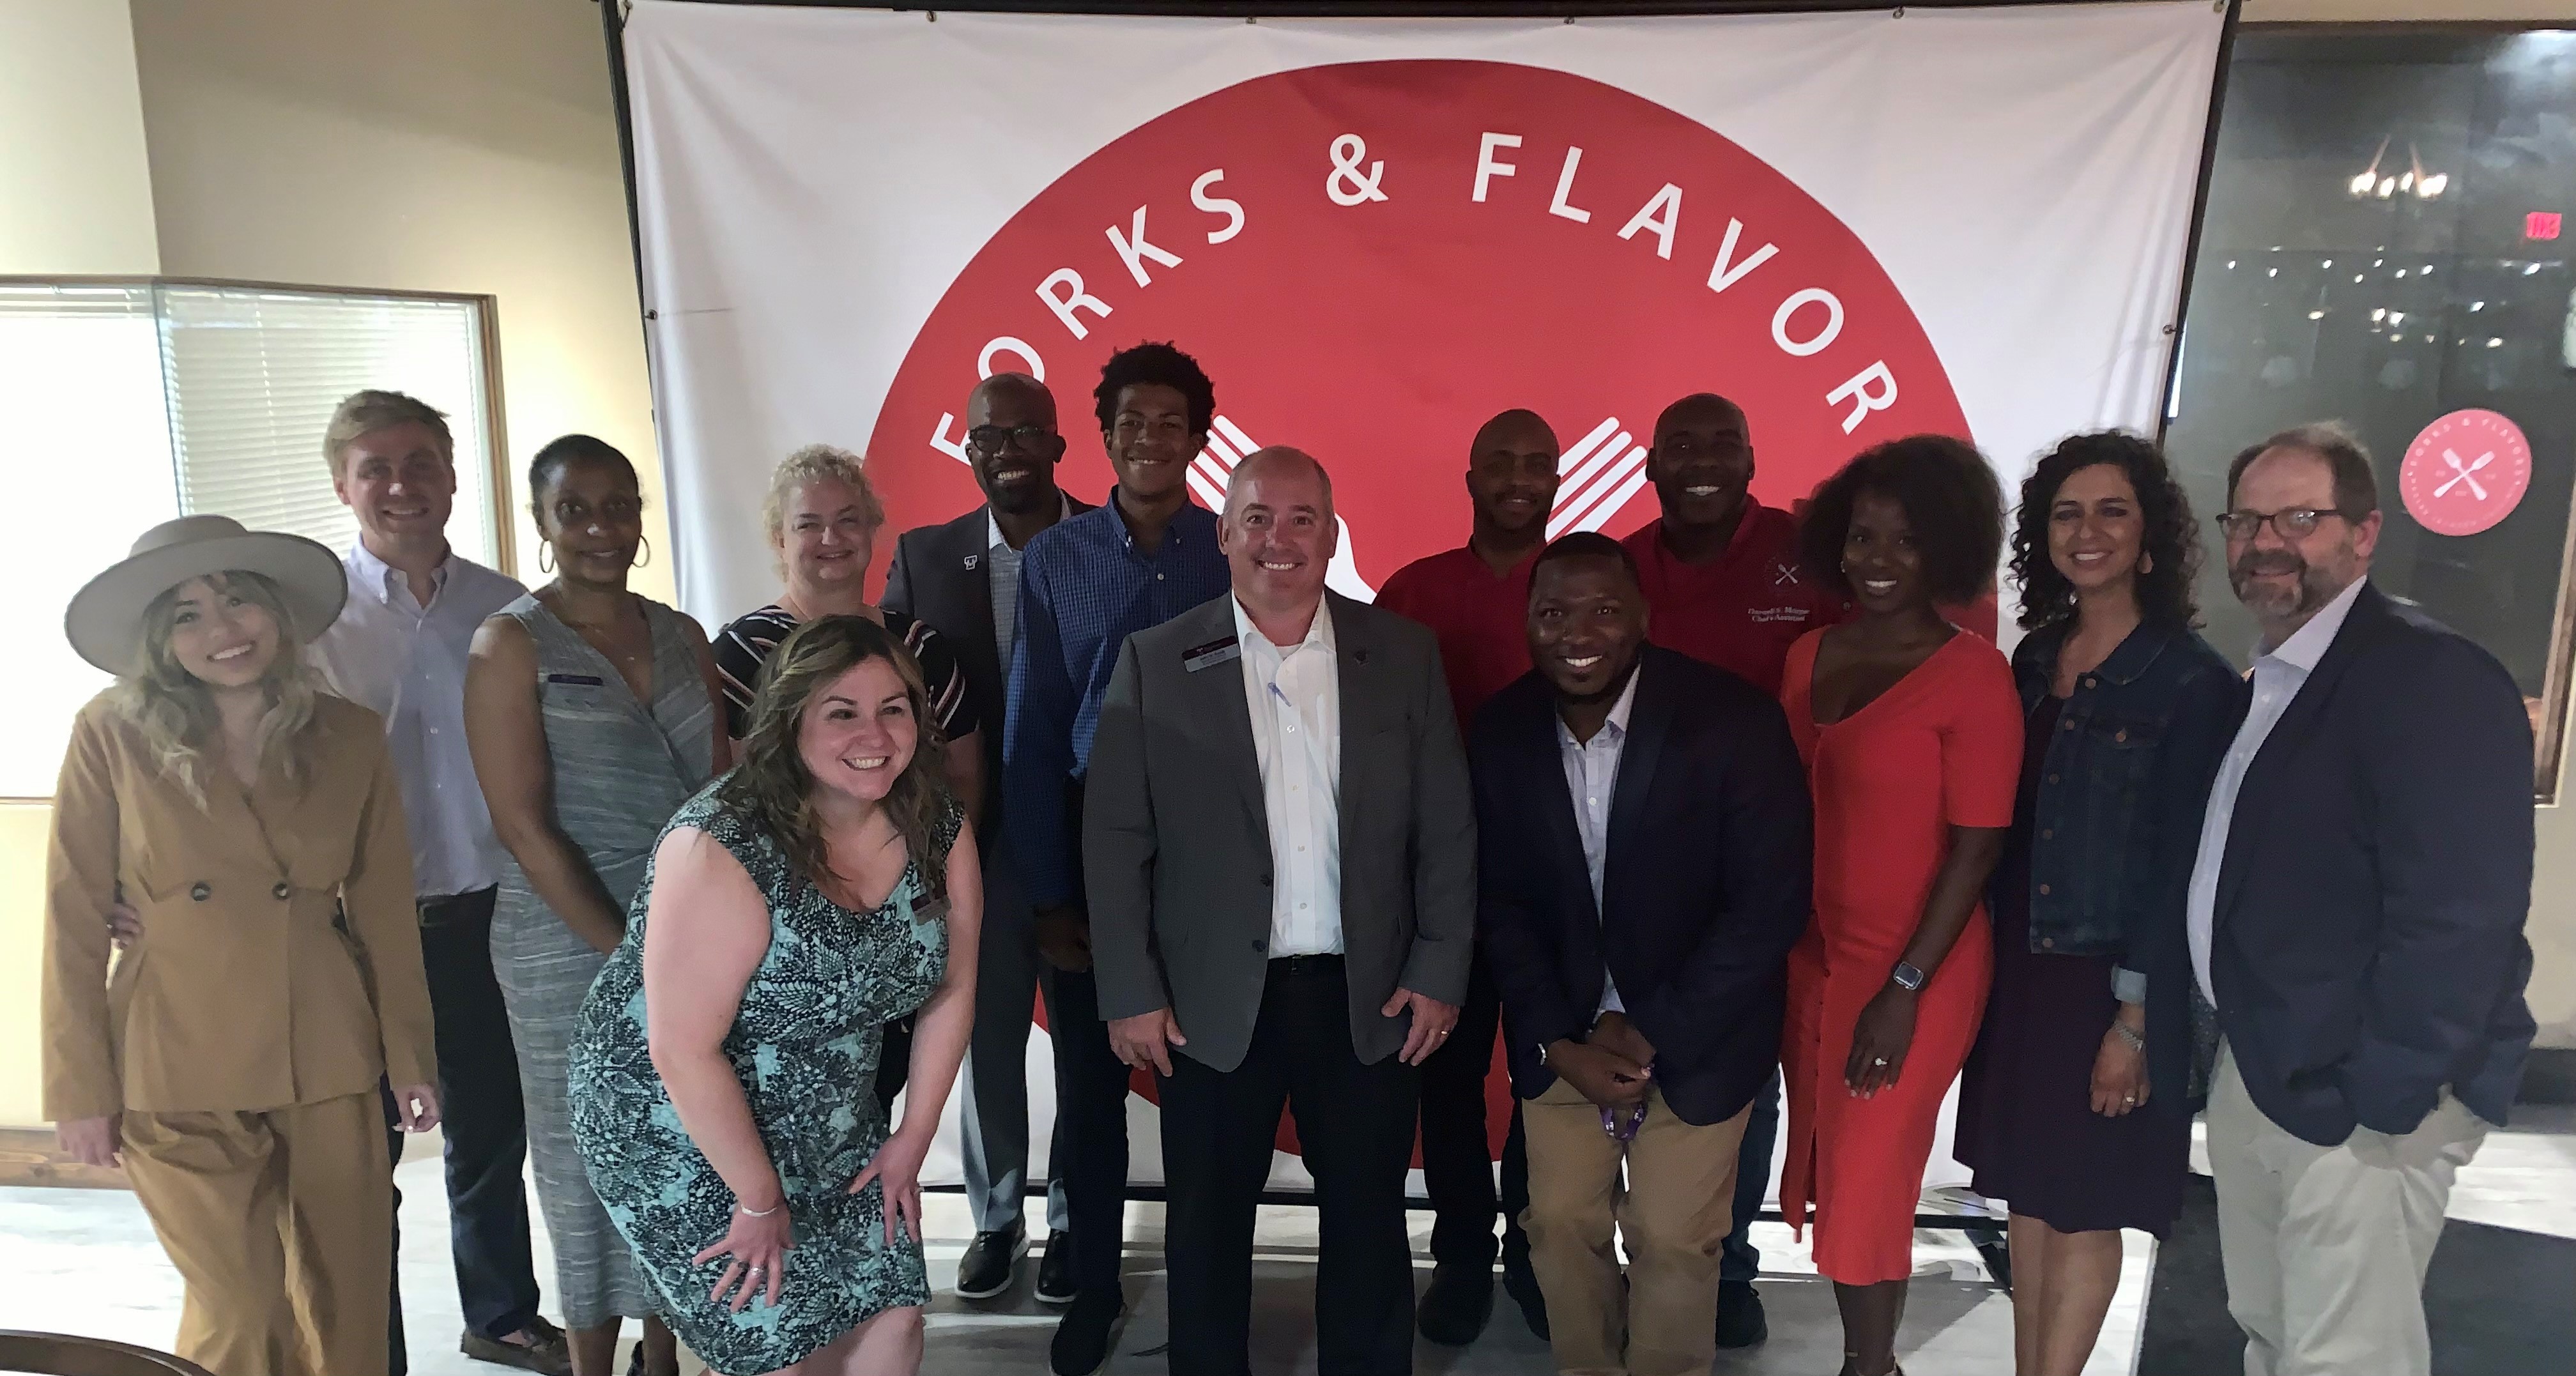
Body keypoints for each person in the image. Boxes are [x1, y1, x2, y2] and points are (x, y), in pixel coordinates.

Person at [1086, 446, 1478, 1376]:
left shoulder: (1404, 653)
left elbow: (1448, 825)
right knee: (1208, 1229)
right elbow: (1113, 840)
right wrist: (1130, 989)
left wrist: (1439, 965)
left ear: (1335, 537)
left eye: (1303, 518)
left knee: (1370, 1223)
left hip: (1368, 996)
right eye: (1258, 516)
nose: (1280, 538)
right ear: (1223, 533)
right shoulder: (1156, 659)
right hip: (1210, 1002)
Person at [46, 514, 441, 1376]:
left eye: (236, 600)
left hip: (327, 1048)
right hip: (173, 1053)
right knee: (242, 1308)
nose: (222, 631)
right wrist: (79, 1085)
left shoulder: (348, 732)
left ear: (275, 609)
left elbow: (381, 906)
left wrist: (410, 1055)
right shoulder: (110, 732)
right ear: (159, 639)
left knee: (350, 1307)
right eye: (187, 614)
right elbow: (74, 913)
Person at [2189, 423, 2534, 1376]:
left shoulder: (2428, 675)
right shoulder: (2280, 675)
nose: (2267, 542)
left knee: (2347, 1357)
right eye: (2248, 519)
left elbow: (2463, 913)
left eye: (2301, 517)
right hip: (2266, 1062)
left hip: (2359, 1098)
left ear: (2365, 533)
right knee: (2273, 1328)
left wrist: (2384, 1092)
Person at [569, 615, 982, 1376]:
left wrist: (913, 1137)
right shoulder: (720, 844)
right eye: (842, 712)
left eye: (894, 707)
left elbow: (952, 985)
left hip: (829, 1104)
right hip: (677, 1116)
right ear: (789, 722)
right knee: (784, 1349)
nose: (876, 733)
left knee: (891, 1323)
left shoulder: (936, 825)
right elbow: (681, 1048)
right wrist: (759, 1199)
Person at [1471, 533, 1813, 1376]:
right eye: (1553, 612)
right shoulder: (1501, 731)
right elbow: (1498, 902)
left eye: (1603, 609)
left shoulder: (1733, 719)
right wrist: (1558, 1037)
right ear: (1527, 621)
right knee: (1554, 1222)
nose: (1576, 631)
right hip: (1568, 1039)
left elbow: (1767, 906)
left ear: (1643, 618)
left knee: (1671, 1237)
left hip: (1699, 1036)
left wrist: (1649, 1028)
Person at [1954, 432, 2246, 1375]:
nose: (2088, 531)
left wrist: (2133, 1018)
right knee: (2033, 1199)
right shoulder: (2036, 658)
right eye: (2067, 513)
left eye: (2111, 510)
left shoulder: (2190, 681)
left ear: (2150, 533)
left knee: (2083, 1204)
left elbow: (2182, 866)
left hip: (2114, 984)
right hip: (2025, 974)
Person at [465, 435, 728, 1376]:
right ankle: (590, 1363)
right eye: (575, 510)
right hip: (565, 941)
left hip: (686, 925)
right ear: (543, 523)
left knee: (681, 1145)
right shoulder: (510, 643)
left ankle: (664, 1357)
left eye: (619, 506)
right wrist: (631, 956)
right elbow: (525, 828)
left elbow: (720, 796)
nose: (600, 528)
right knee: (585, 1165)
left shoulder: (681, 632)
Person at [1004, 340, 1231, 1375]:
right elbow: (1033, 732)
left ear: (1197, 437)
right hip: (1089, 848)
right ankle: (1092, 1287)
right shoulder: (1056, 559)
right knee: (1093, 1102)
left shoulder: (1231, 549)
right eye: (1131, 420)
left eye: (1171, 421)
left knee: (1200, 1097)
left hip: (1204, 856)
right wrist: (1050, 893)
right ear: (1101, 435)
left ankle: (1205, 1299)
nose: (1150, 437)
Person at [1778, 435, 2019, 1376]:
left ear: (1947, 551)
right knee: (1837, 1167)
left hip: (1920, 963)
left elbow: (1979, 845)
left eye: (1906, 542)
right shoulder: (1807, 656)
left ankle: (1869, 1366)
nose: (1877, 561)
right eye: (1863, 537)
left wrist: (1907, 983)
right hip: (1815, 956)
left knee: (1872, 1174)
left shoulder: (1973, 674)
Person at [1617, 391, 1848, 1348]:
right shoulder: (1622, 565)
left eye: (1723, 443)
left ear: (1753, 461)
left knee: (1738, 1083)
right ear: (1651, 465)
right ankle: (1617, 1264)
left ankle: (1728, 1266)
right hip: (1627, 864)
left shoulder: (1812, 558)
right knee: (1605, 1056)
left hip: (1763, 865)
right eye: (1682, 445)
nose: (1703, 459)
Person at [882, 373, 1092, 1304]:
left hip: (1088, 847)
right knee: (987, 1040)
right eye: (984, 436)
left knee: (1088, 1047)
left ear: (1057, 444)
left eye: (1023, 433)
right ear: (966, 449)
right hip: (970, 845)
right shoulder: (925, 557)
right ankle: (999, 1218)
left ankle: (1078, 1223)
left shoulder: (1104, 542)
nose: (1003, 449)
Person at [715, 444, 983, 1116]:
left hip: (897, 922)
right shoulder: (741, 654)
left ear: (873, 532)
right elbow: (730, 799)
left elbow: (964, 780)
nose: (830, 538)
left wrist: (923, 884)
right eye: (809, 524)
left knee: (877, 1107)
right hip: (779, 941)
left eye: (848, 519)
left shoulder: (921, 646)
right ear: (781, 538)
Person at [1371, 406, 1561, 1343]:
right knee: (1444, 1086)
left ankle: (1535, 1253)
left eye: (1539, 463)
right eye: (1502, 462)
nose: (1520, 478)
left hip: (1559, 889)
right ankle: (1458, 1253)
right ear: (1472, 479)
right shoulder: (1413, 589)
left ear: (1560, 479)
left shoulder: (1582, 588)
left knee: (1546, 1080)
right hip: (1437, 890)